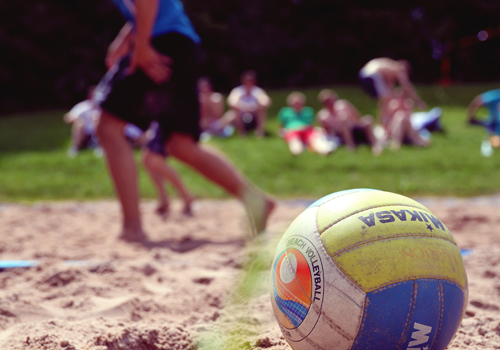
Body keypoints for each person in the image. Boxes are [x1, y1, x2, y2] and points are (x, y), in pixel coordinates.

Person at [94, 0, 275, 241]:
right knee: (180, 144)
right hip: (180, 44)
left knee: (108, 127)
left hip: (161, 42)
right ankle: (256, 201)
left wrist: (141, 46)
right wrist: (126, 39)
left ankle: (132, 228)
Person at [358, 58, 427, 127]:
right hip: (373, 74)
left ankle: (382, 122)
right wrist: (418, 102)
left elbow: (389, 89)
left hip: (362, 74)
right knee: (386, 99)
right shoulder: (399, 69)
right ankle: (384, 124)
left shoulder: (389, 67)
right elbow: (407, 86)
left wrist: (394, 95)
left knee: (385, 99)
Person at [316, 89, 383, 155]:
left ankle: (376, 146)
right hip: (341, 135)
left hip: (354, 128)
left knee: (368, 119)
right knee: (343, 120)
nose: (330, 103)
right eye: (327, 102)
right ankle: (351, 147)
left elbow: (357, 117)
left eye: (331, 100)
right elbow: (328, 132)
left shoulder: (343, 105)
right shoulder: (323, 116)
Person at [225, 70, 271, 137]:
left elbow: (266, 102)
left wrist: (254, 107)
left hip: (254, 116)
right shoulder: (237, 91)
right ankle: (241, 133)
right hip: (241, 116)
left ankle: (259, 132)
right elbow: (231, 102)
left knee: (262, 112)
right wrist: (243, 107)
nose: (248, 82)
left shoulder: (257, 91)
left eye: (251, 80)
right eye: (247, 80)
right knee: (232, 113)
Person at [63, 86, 100, 157]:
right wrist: (75, 118)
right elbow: (68, 117)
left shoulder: (102, 108)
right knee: (79, 124)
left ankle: (100, 147)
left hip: (98, 132)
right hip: (84, 134)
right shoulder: (83, 107)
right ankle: (75, 148)